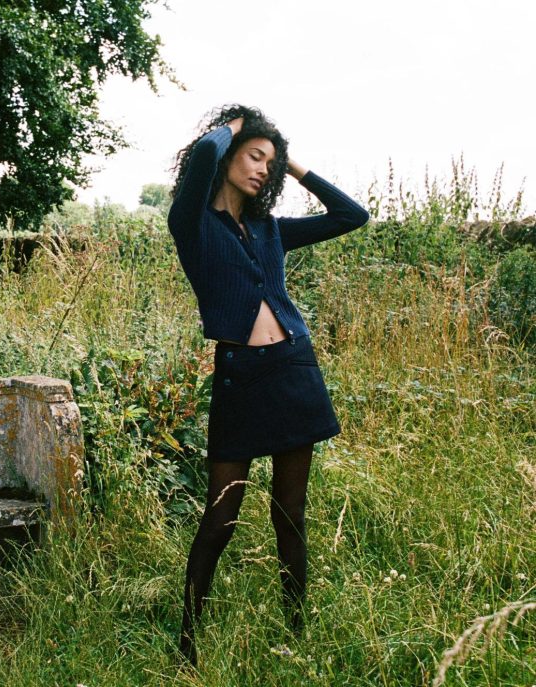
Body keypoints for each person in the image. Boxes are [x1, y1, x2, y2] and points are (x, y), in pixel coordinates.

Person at [167, 104, 370, 666]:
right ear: (230, 153)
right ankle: (187, 645)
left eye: (269, 164)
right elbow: (203, 156)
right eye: (254, 157)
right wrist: (240, 123)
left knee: (290, 512)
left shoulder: (269, 228)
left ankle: (296, 631)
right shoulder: (192, 222)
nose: (262, 169)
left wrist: (292, 165)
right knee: (221, 517)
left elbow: (352, 215)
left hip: (294, 369)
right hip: (240, 376)